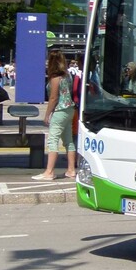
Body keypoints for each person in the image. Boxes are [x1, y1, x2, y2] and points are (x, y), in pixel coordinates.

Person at [34, 50, 77, 181]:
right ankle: (71, 170)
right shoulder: (67, 75)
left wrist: (47, 115)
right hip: (70, 109)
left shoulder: (55, 78)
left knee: (53, 140)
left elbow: (53, 98)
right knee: (68, 141)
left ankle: (49, 172)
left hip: (59, 110)